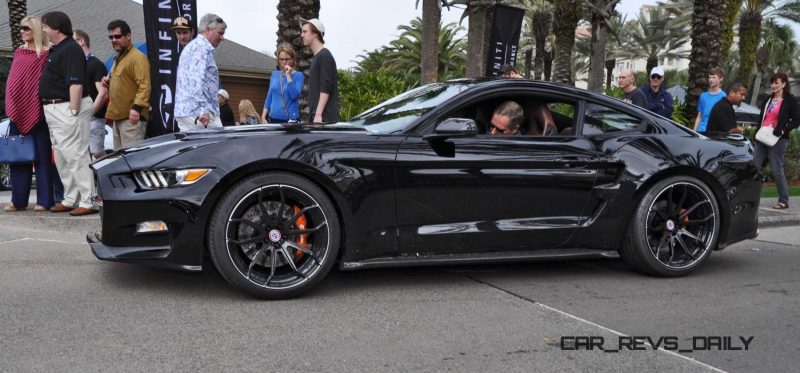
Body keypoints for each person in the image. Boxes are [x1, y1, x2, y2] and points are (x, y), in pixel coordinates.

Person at [39, 11, 96, 216]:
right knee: (62, 157)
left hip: (67, 107)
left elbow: (76, 82)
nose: (43, 30)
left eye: (46, 26)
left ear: (57, 28)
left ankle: (88, 200)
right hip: (54, 108)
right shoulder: (58, 49)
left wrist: (73, 110)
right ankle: (71, 197)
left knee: (76, 154)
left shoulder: (71, 49)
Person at [3, 16, 54, 213]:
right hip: (17, 112)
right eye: (21, 28)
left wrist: (36, 106)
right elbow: (13, 81)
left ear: (36, 31)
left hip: (38, 112)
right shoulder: (19, 52)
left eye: (26, 28)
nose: (22, 31)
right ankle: (18, 201)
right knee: (18, 157)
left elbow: (41, 83)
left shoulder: (46, 54)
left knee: (42, 158)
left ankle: (45, 200)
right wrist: (12, 104)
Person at [101, 20, 150, 150]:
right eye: (111, 37)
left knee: (132, 160)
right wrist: (109, 83)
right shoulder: (119, 57)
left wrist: (136, 108)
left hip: (131, 119)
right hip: (119, 118)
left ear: (128, 36)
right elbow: (126, 83)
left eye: (117, 36)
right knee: (120, 161)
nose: (113, 40)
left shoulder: (137, 57)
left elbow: (145, 84)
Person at [754, 72, 799, 210]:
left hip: (778, 139)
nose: (773, 85)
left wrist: (783, 130)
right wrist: (756, 134)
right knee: (754, 166)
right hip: (762, 137)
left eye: (777, 83)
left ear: (784, 84)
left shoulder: (789, 100)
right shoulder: (767, 99)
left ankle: (783, 200)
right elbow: (761, 119)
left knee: (776, 169)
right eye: (772, 83)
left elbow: (797, 119)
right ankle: (750, 198)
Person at [174, 13, 226, 131]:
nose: (222, 38)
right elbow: (195, 81)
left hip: (185, 112)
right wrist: (203, 110)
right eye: (220, 33)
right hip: (199, 114)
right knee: (218, 148)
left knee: (194, 149)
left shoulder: (191, 47)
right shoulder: (201, 47)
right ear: (208, 29)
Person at [73, 29, 109, 159]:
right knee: (82, 156)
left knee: (97, 154)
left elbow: (103, 93)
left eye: (72, 41)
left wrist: (90, 113)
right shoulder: (76, 65)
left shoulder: (96, 64)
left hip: (94, 118)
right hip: (78, 117)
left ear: (81, 41)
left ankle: (101, 179)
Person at [301, 18, 339, 123]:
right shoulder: (317, 57)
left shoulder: (324, 56)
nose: (301, 35)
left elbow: (326, 87)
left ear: (315, 34)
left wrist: (318, 115)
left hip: (323, 119)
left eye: (305, 31)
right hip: (318, 118)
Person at [262, 43, 304, 123]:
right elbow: (269, 96)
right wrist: (263, 116)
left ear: (292, 60)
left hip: (290, 120)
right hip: (273, 118)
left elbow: (294, 95)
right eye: (281, 59)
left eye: (287, 59)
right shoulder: (275, 74)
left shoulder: (298, 76)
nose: (284, 62)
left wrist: (288, 76)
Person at [693, 67, 726, 132]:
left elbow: (724, 119)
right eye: (709, 77)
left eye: (714, 77)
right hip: (701, 131)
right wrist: (694, 132)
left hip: (715, 133)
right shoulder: (703, 96)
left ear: (721, 79)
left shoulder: (724, 97)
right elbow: (699, 116)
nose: (711, 79)